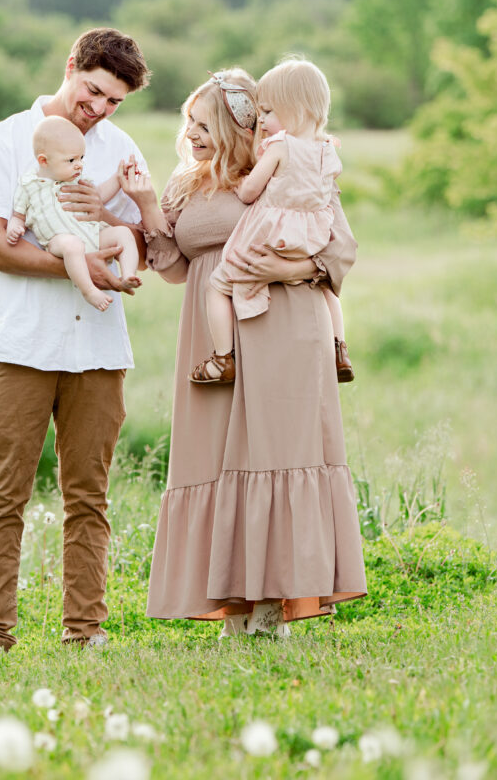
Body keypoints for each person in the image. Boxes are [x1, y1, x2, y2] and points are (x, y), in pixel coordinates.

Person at [119, 67, 366, 638]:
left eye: (203, 123)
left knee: (276, 455)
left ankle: (272, 607)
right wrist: (148, 204)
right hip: (213, 335)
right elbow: (178, 271)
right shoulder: (189, 183)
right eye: (188, 122)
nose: (193, 133)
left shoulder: (280, 167)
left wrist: (292, 266)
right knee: (212, 461)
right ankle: (234, 602)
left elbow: (339, 247)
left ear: (237, 124)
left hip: (285, 326)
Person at [0, 27, 150, 651]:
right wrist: (76, 267)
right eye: (93, 92)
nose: (98, 110)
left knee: (89, 497)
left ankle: (85, 630)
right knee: (5, 491)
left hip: (98, 348)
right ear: (71, 67)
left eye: (113, 102)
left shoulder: (120, 148)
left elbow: (140, 237)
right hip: (20, 345)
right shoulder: (5, 140)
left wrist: (120, 233)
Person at [191, 59, 354, 385]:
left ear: (296, 111)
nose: (261, 120)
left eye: (267, 112)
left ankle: (223, 358)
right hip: (310, 236)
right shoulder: (328, 150)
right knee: (329, 294)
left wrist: (240, 185)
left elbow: (251, 192)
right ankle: (339, 348)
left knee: (218, 285)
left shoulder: (278, 147)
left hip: (273, 235)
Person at [6, 115, 141, 311]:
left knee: (122, 233)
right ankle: (89, 290)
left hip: (92, 234)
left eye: (81, 158)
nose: (79, 165)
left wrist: (118, 179)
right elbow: (18, 215)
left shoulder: (78, 180)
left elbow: (99, 197)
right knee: (72, 245)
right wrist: (14, 227)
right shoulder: (29, 185)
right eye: (71, 160)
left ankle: (128, 274)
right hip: (59, 241)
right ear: (44, 160)